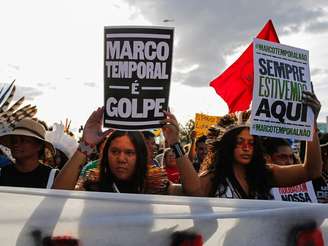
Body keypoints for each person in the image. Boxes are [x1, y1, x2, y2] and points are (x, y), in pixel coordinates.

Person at [196, 91, 322, 199]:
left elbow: (312, 171)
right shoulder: (211, 179)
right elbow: (188, 193)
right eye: (240, 142)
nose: (246, 148)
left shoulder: (265, 174)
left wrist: (311, 122)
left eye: (251, 143)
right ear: (227, 146)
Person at [53, 107, 201, 196]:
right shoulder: (93, 187)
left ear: (140, 157)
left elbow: (195, 193)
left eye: (130, 153)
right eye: (115, 151)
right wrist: (85, 145)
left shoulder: (156, 186)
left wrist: (175, 143)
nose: (121, 159)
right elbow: (57, 196)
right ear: (105, 155)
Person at [0, 118, 58, 188]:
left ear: (39, 146)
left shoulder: (53, 176)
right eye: (14, 140)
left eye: (23, 140)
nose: (16, 144)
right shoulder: (2, 173)